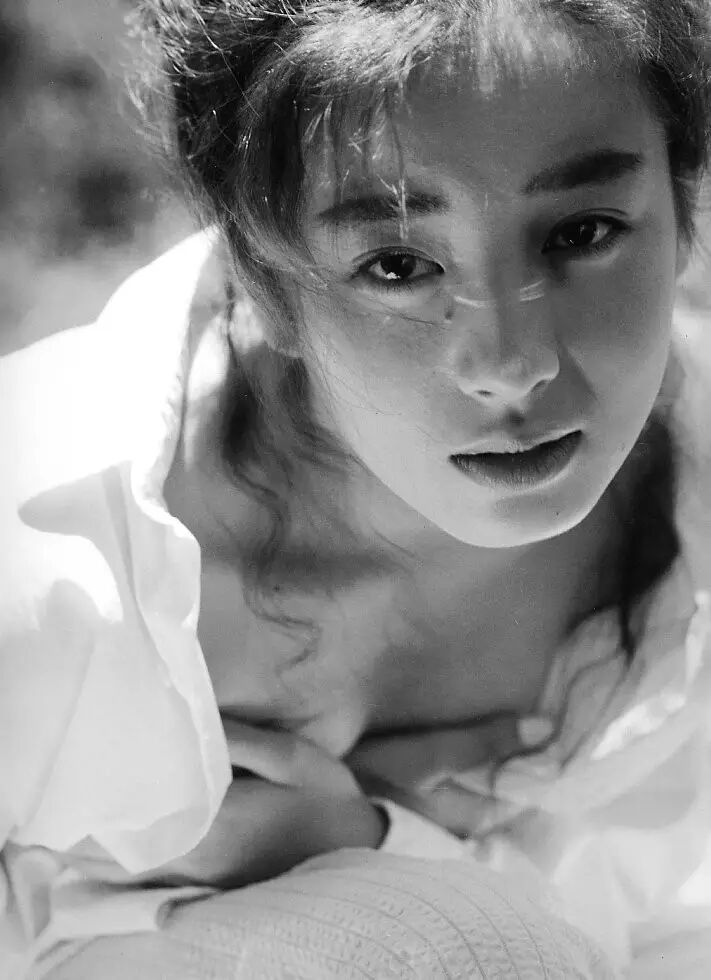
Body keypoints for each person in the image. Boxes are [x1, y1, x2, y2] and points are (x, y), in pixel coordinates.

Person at [3, 0, 711, 976]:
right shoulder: (46, 572)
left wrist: (366, 847)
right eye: (397, 264)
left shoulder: (690, 499)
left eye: (583, 230)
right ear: (264, 282)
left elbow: (638, 927)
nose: (511, 364)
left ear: (683, 209)